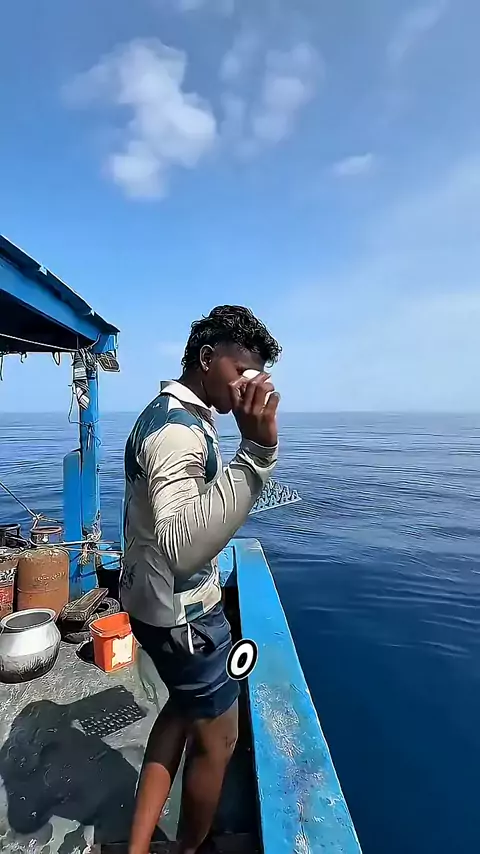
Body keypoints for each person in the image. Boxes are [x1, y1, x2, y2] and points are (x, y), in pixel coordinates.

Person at [120, 305, 281, 854]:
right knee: (219, 741)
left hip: (150, 604)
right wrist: (256, 455)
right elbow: (183, 546)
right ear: (207, 359)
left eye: (257, 377)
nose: (248, 387)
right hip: (184, 617)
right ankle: (189, 849)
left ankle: (138, 847)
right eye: (241, 372)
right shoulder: (177, 433)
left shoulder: (174, 414)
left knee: (179, 711)